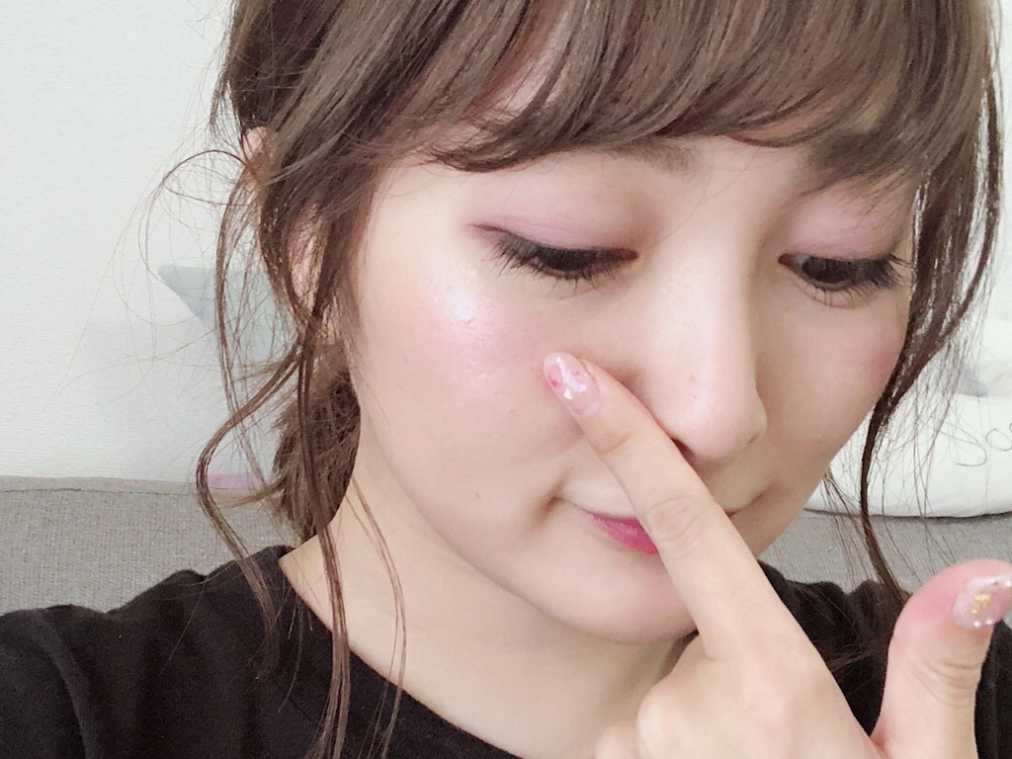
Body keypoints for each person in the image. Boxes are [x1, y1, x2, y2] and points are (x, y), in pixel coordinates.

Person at [3, 1, 1011, 757]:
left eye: (838, 263)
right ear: (303, 240)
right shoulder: (55, 717)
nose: (716, 413)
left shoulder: (967, 707)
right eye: (566, 249)